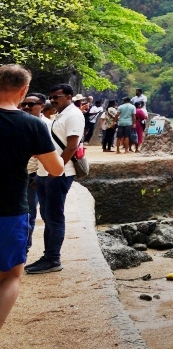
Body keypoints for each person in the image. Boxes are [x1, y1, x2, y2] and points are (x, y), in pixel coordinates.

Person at [0, 66, 63, 329]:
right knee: (11, 274)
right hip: (10, 208)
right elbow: (56, 169)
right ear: (24, 90)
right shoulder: (32, 124)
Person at [27, 82, 84, 275]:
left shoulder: (74, 115)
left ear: (69, 97)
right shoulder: (61, 114)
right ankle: (48, 256)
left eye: (57, 97)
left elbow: (72, 146)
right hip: (45, 173)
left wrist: (55, 170)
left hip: (59, 174)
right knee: (47, 216)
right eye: (51, 97)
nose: (53, 100)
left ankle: (53, 259)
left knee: (54, 217)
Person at [20, 94, 49, 251]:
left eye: (31, 104)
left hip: (33, 176)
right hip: (17, 174)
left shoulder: (47, 125)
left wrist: (38, 175)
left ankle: (25, 246)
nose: (26, 107)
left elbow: (51, 154)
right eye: (23, 104)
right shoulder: (19, 122)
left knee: (29, 212)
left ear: (42, 106)